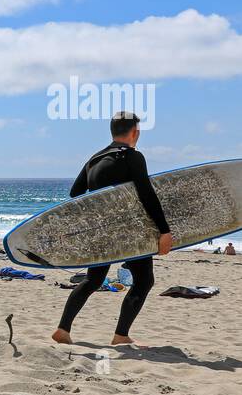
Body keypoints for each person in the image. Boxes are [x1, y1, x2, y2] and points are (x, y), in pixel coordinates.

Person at [52, 111, 171, 347]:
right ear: (135, 132)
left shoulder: (94, 159)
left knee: (93, 280)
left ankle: (63, 329)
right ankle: (120, 336)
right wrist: (164, 231)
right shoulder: (132, 157)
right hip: (127, 233)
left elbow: (75, 194)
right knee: (144, 280)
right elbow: (147, 195)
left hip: (101, 231)